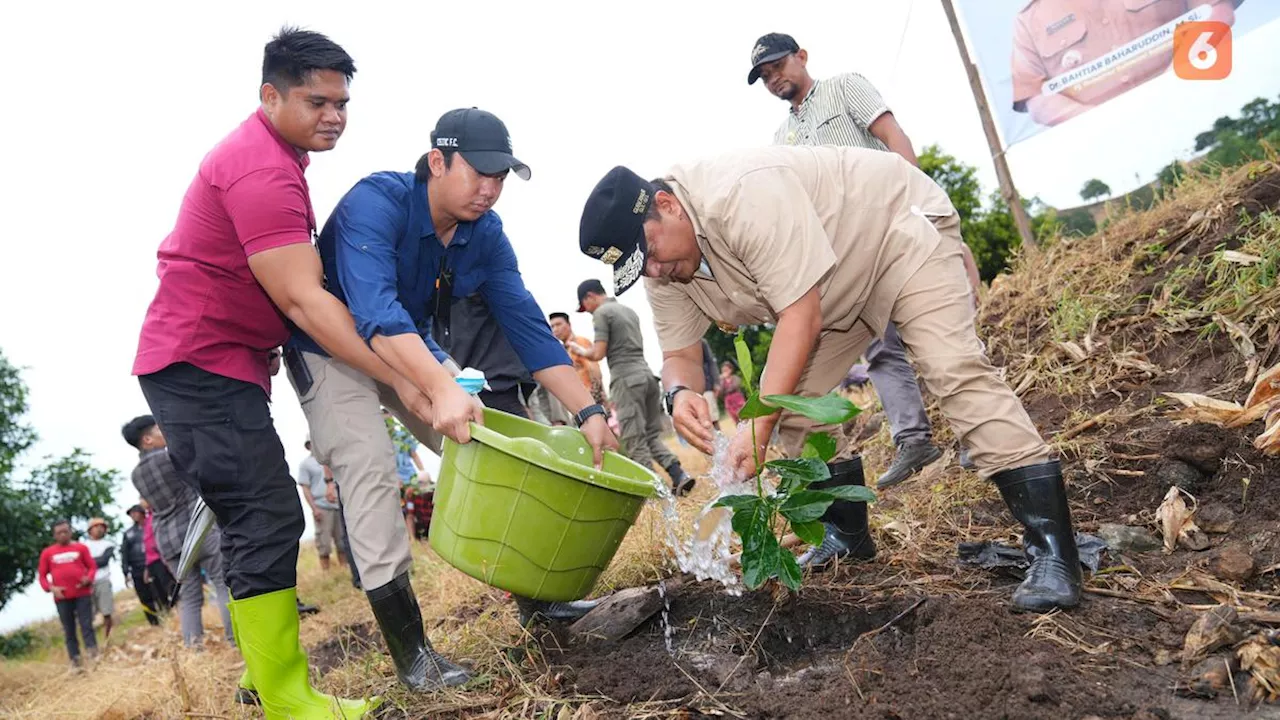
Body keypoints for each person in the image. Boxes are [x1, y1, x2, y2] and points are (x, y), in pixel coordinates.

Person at [576, 148, 1083, 613]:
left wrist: (757, 429)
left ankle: (1055, 551)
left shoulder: (741, 195)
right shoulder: (662, 270)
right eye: (643, 268)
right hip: (834, 293)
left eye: (654, 253)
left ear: (667, 204)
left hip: (892, 234)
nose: (658, 272)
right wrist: (679, 392)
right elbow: (681, 354)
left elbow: (800, 315)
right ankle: (847, 532)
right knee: (795, 407)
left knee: (952, 369)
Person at [284, 107, 618, 693]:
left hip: (405, 341)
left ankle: (537, 601)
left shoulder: (484, 232)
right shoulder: (377, 202)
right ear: (437, 161)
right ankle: (414, 656)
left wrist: (587, 410)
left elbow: (526, 324)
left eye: (502, 178)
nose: (490, 190)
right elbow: (373, 311)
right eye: (479, 173)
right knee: (369, 471)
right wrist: (434, 383)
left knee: (497, 444)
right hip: (331, 347)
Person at [129, 27, 402, 716]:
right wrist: (398, 377)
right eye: (317, 101)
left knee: (256, 512)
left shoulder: (276, 156)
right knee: (267, 513)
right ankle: (286, 700)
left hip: (221, 361)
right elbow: (303, 298)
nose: (334, 116)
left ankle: (264, 682)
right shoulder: (261, 168)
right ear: (269, 95)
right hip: (197, 361)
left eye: (342, 102)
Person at [748, 32, 990, 489]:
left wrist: (920, 205)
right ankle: (914, 440)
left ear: (802, 56)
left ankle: (978, 434)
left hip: (896, 227)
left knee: (940, 336)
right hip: (847, 256)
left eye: (777, 65)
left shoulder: (845, 87)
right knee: (880, 349)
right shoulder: (781, 140)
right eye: (763, 75)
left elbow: (891, 135)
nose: (772, 77)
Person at [1011, 0, 1238, 127]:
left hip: (1203, 113)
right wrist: (1109, 123)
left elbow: (1217, 11)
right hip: (1116, 151)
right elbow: (1037, 99)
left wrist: (1173, 85)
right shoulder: (1028, 20)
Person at [572, 279, 695, 496]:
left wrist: (579, 351)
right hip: (647, 376)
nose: (587, 312)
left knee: (634, 438)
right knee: (650, 435)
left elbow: (598, 353)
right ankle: (678, 474)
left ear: (590, 296)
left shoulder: (602, 313)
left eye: (585, 306)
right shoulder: (627, 310)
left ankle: (655, 491)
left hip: (626, 379)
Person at [123, 415, 233, 649]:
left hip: (169, 541)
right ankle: (235, 642)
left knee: (190, 597)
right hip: (199, 530)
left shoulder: (136, 475)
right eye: (158, 429)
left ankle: (194, 650)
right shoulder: (172, 456)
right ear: (147, 439)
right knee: (222, 583)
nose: (165, 432)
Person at [38, 520, 97, 667]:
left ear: (70, 532)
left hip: (82, 593)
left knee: (86, 625)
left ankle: (93, 655)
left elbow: (92, 567)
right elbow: (42, 576)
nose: (63, 535)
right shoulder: (47, 553)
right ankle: (75, 661)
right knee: (69, 629)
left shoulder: (81, 548)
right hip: (62, 598)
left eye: (65, 531)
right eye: (59, 533)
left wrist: (88, 579)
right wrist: (52, 589)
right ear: (54, 535)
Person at [298, 438, 345, 571]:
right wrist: (314, 508)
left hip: (338, 504)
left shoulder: (332, 460)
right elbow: (305, 488)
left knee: (342, 541)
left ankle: (344, 569)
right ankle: (326, 573)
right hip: (321, 506)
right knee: (324, 544)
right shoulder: (306, 464)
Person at [121, 505, 161, 626]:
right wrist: (125, 572)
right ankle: (154, 622)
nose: (133, 515)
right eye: (131, 514)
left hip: (153, 564)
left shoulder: (151, 526)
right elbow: (124, 554)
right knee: (144, 596)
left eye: (135, 512)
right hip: (137, 569)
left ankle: (167, 614)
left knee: (159, 592)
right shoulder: (128, 534)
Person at [80, 518, 117, 639]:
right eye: (96, 526)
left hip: (103, 580)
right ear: (90, 530)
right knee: (89, 613)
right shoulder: (83, 545)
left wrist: (88, 563)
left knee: (107, 611)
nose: (100, 529)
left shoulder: (108, 544)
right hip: (88, 582)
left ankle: (108, 638)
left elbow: (103, 560)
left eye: (102, 526)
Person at [140, 502, 176, 614]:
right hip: (152, 563)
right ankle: (169, 612)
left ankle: (178, 609)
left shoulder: (154, 517)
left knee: (170, 586)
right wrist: (147, 568)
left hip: (160, 559)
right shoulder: (145, 523)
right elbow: (147, 547)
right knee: (159, 591)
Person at [698, 339, 721, 427]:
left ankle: (719, 439)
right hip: (690, 390)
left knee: (713, 417)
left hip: (706, 387)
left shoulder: (701, 342)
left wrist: (716, 382)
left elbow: (711, 362)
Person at [717, 361, 747, 425]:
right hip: (728, 401)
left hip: (737, 399)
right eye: (723, 371)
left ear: (730, 370)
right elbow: (720, 392)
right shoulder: (722, 381)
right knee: (735, 418)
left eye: (726, 370)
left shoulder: (735, 378)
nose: (725, 372)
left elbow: (736, 385)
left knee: (743, 415)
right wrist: (721, 380)